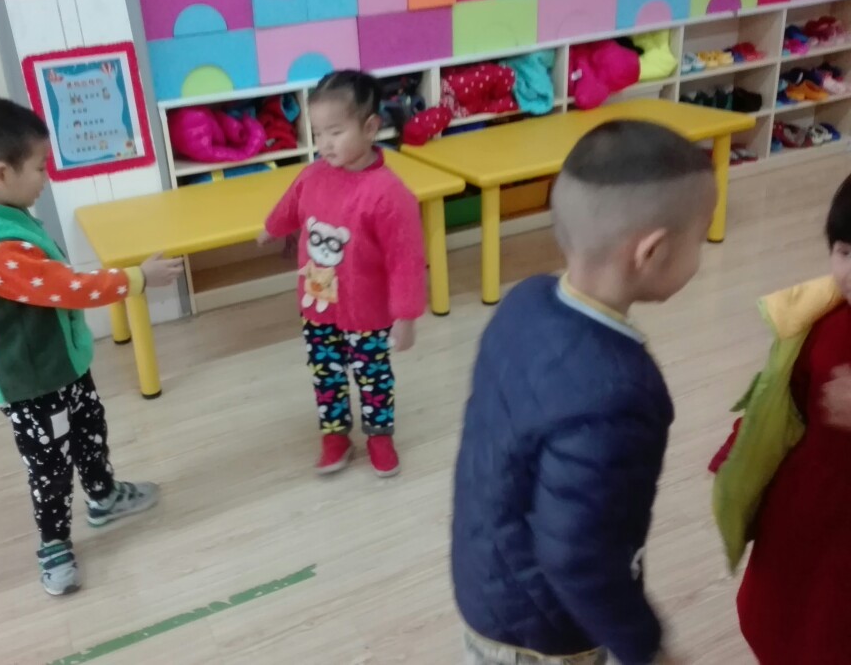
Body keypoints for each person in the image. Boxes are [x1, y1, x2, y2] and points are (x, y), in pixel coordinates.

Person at [452, 120, 717, 665]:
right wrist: (645, 648)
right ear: (652, 251)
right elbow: (579, 553)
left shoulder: (525, 300)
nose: (702, 252)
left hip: (487, 574)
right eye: (699, 237)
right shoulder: (619, 392)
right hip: (543, 633)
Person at [0, 98, 183, 596]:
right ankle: (54, 543)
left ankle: (103, 495)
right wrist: (137, 278)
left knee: (89, 431)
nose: (46, 178)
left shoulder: (2, 212)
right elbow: (68, 288)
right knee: (49, 466)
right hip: (31, 384)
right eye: (39, 168)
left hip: (60, 364)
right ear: (1, 173)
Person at [712, 174, 851, 664]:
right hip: (808, 505)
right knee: (784, 618)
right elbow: (779, 397)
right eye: (844, 252)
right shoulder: (823, 319)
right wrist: (739, 450)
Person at [259, 70, 426, 478]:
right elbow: (290, 206)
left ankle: (379, 436)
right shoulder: (312, 176)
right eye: (318, 133)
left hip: (367, 312)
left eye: (335, 132)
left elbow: (405, 260)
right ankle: (334, 435)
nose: (325, 144)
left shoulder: (390, 194)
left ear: (370, 127)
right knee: (326, 374)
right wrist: (271, 229)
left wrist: (405, 316)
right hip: (318, 304)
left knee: (373, 377)